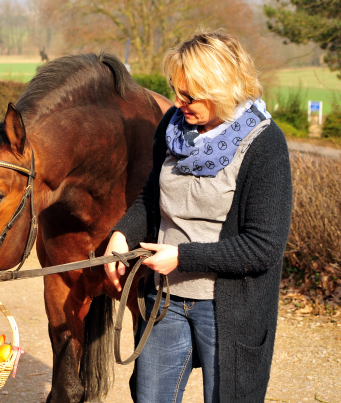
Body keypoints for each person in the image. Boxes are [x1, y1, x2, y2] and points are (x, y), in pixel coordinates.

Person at [104, 29, 292, 402]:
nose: (178, 102)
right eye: (176, 90)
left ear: (222, 88)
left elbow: (263, 246)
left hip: (227, 308)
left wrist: (182, 257)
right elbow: (151, 198)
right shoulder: (172, 129)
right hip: (165, 301)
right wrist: (121, 234)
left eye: (189, 96)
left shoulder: (264, 144)